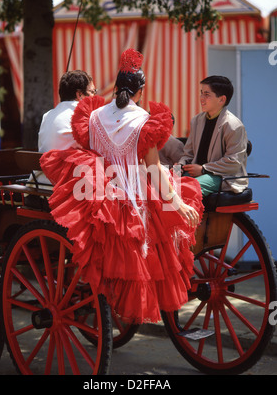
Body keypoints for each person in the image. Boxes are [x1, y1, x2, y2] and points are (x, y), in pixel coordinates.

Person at [40, 49, 203, 324]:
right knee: (177, 203)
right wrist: (178, 202)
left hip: (102, 197)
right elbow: (153, 170)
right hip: (135, 200)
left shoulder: (91, 117)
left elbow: (93, 157)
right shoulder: (144, 121)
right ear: (140, 91)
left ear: (114, 88)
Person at [178, 76, 248, 197]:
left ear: (221, 100)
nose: (201, 98)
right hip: (197, 173)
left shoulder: (233, 125)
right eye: (201, 93)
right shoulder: (196, 121)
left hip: (223, 176)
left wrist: (204, 169)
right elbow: (188, 154)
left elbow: (233, 162)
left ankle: (192, 216)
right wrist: (179, 166)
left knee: (185, 190)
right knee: (166, 185)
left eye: (207, 94)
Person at [32, 70, 96, 187]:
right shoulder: (84, 117)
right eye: (92, 92)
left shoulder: (47, 115)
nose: (94, 97)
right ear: (80, 95)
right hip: (63, 187)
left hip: (39, 182)